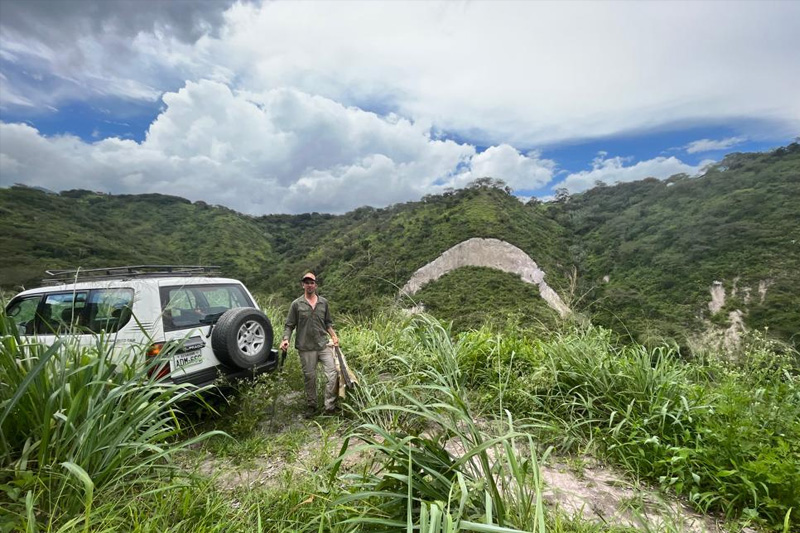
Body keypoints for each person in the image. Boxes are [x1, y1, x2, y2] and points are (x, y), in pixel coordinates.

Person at [279, 272, 340, 417]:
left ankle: (329, 406)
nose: (309, 285)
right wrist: (285, 339)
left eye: (312, 282)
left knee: (332, 374)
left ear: (316, 285)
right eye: (306, 282)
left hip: (323, 344)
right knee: (310, 377)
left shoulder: (323, 302)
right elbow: (289, 325)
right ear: (303, 285)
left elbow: (327, 322)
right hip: (305, 347)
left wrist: (334, 335)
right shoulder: (296, 304)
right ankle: (311, 406)